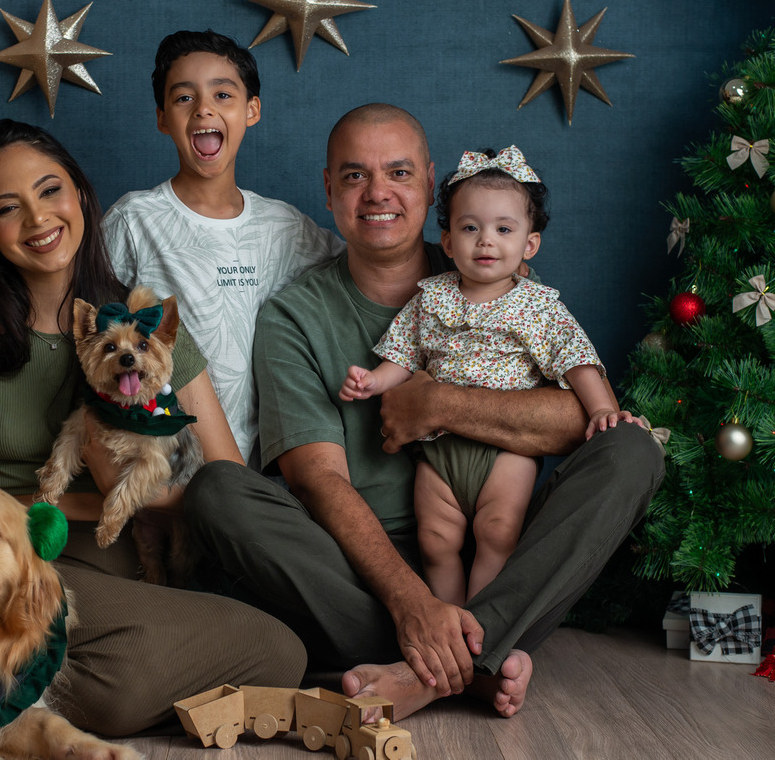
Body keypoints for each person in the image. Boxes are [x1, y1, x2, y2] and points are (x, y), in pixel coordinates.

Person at [185, 104, 664, 720]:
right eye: (355, 176)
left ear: (431, 186)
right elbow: (318, 480)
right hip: (360, 576)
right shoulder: (294, 316)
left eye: (400, 173)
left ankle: (434, 667)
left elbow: (577, 420)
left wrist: (439, 402)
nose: (378, 192)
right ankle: (480, 654)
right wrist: (413, 603)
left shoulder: (492, 270)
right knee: (219, 489)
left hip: (500, 546)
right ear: (328, 190)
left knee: (630, 449)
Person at [0, 120, 306, 737]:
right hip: (15, 569)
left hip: (133, 576)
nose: (36, 219)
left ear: (80, 195)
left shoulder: (144, 326)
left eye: (50, 190)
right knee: (248, 659)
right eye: (7, 208)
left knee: (274, 652)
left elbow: (227, 485)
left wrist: (129, 494)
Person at [339, 145, 640, 608]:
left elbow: (576, 359)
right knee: (437, 541)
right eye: (470, 228)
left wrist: (603, 409)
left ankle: (481, 625)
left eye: (503, 229)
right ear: (447, 241)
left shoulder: (538, 306)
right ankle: (449, 622)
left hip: (507, 449)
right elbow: (403, 354)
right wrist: (375, 381)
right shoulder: (430, 298)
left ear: (529, 244)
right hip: (439, 451)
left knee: (497, 534)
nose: (485, 241)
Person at [104, 29, 343, 465]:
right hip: (162, 460)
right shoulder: (133, 221)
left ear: (251, 109)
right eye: (183, 99)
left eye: (222, 94)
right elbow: (84, 327)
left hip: (263, 468)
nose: (204, 109)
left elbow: (364, 269)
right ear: (162, 119)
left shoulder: (284, 226)